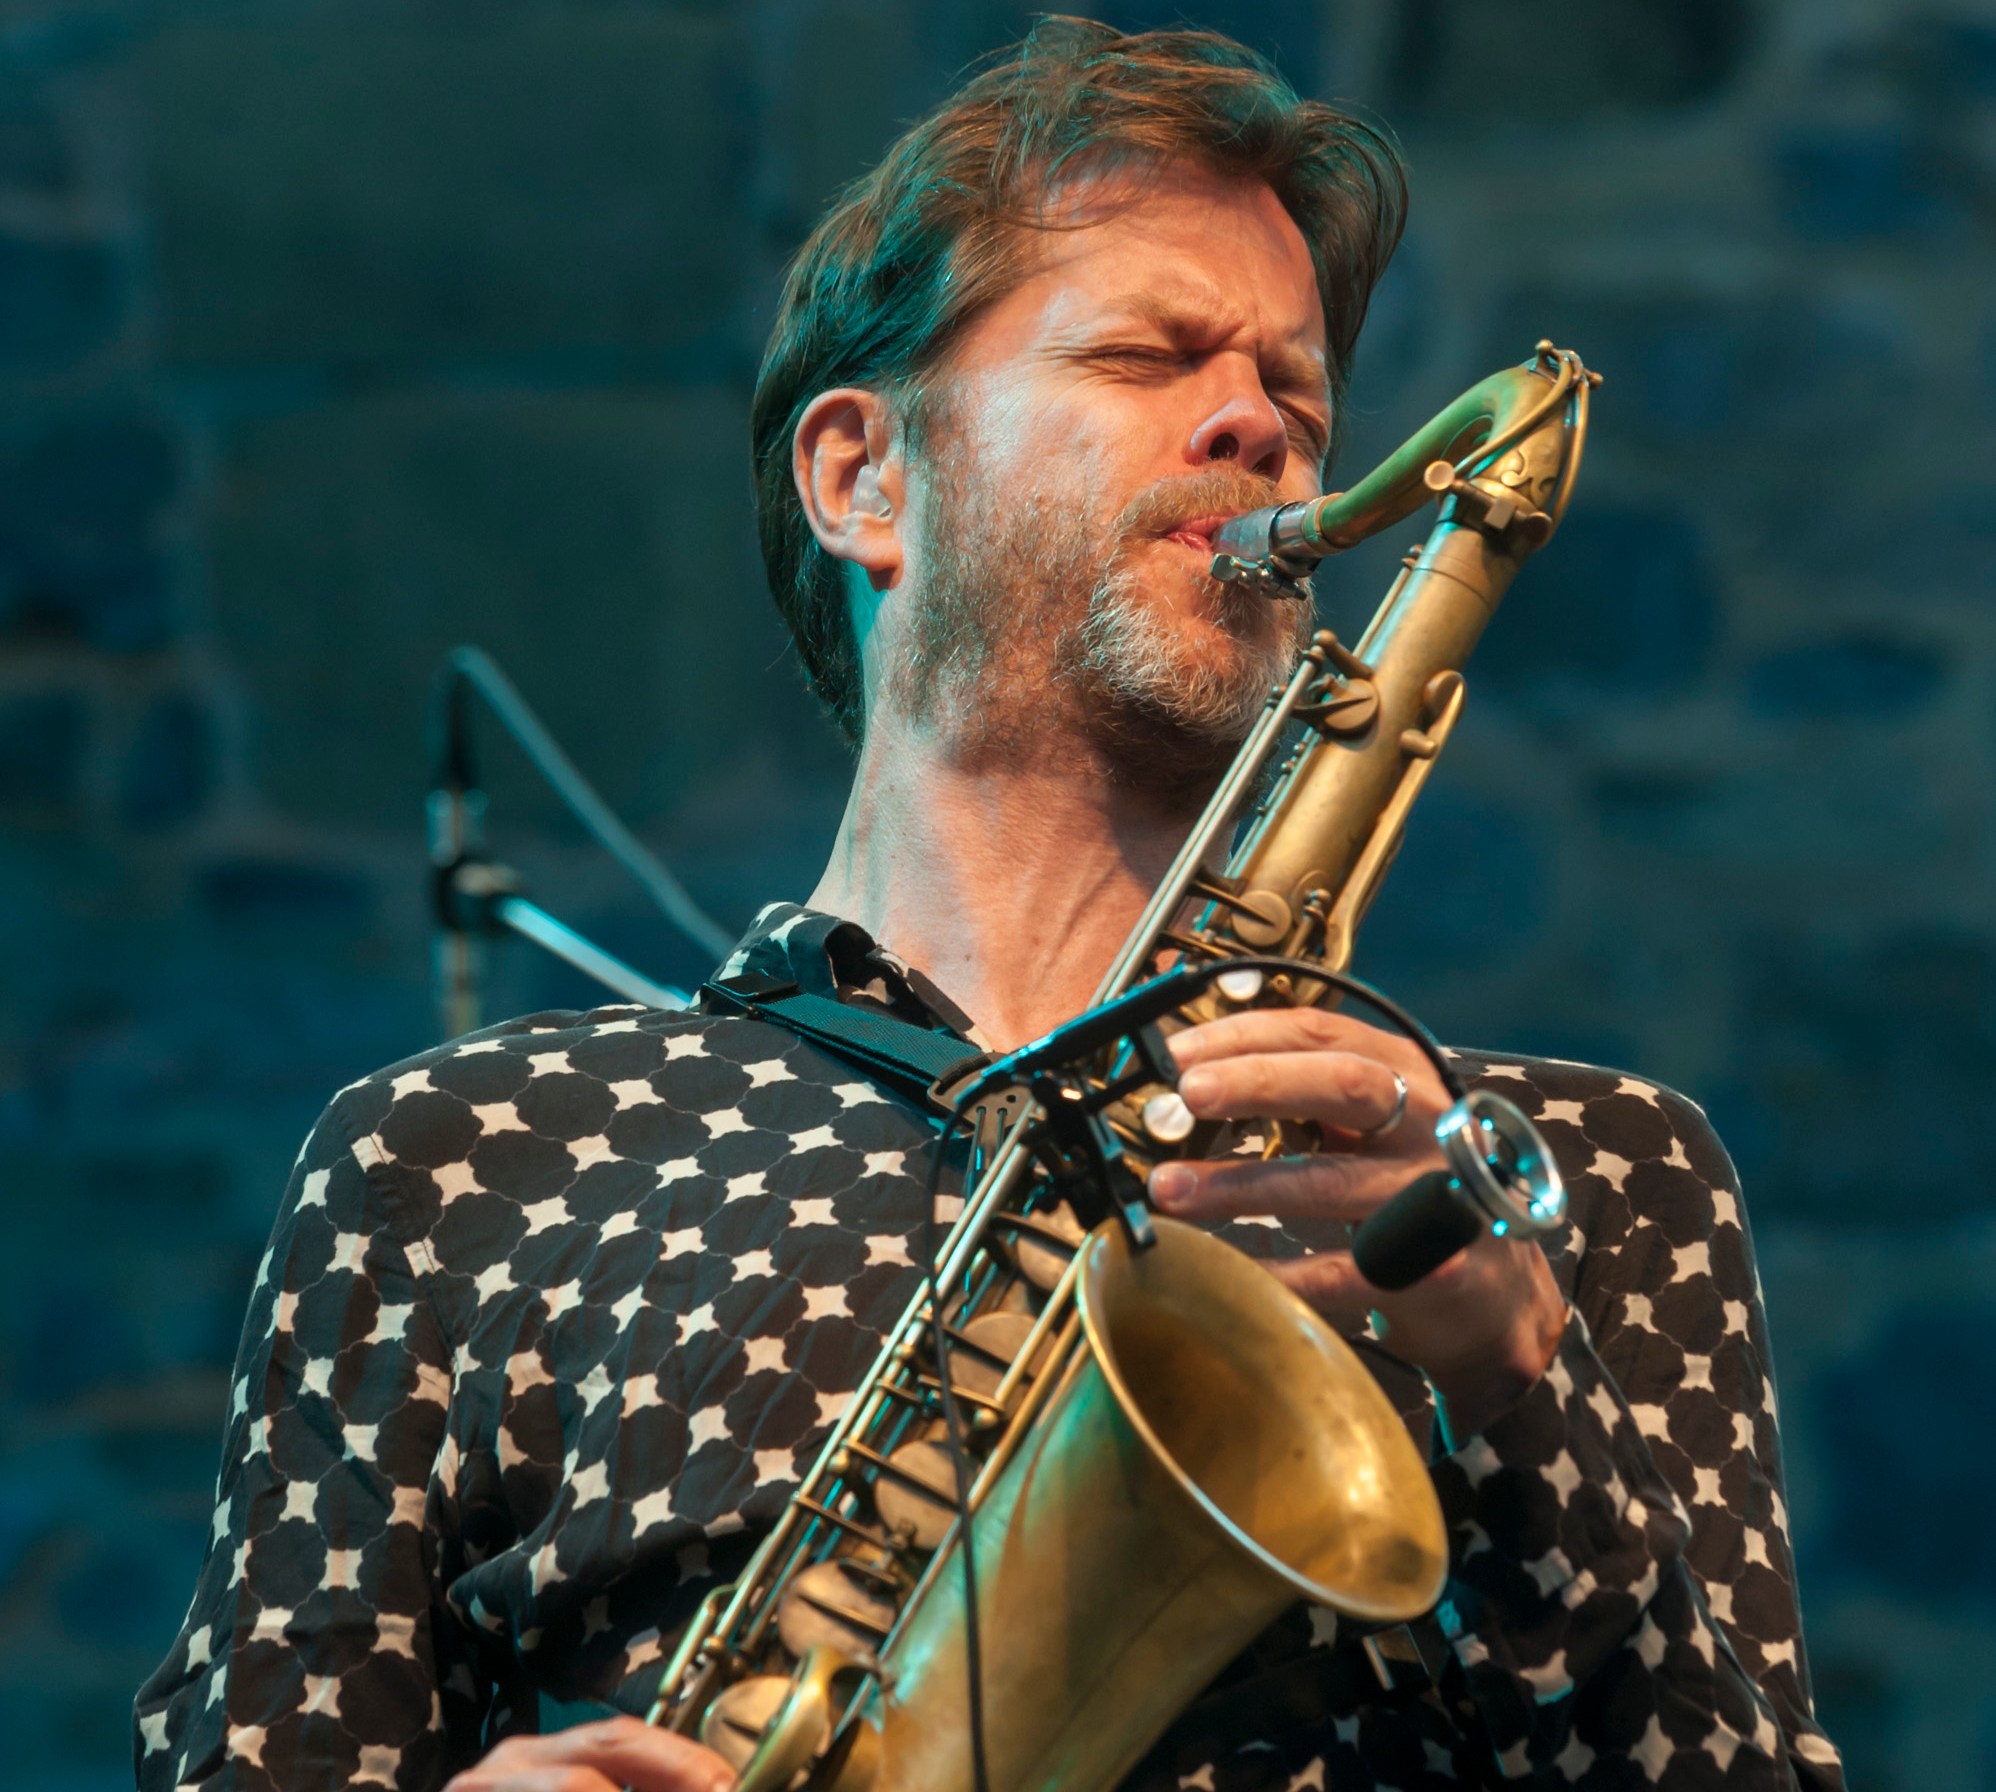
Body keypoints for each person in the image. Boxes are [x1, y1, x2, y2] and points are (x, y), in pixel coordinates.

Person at [135, 19, 1844, 1791]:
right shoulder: (463, 1160)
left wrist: (1511, 1389)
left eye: (1297, 390)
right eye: (1149, 354)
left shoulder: (1564, 1176)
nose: (1264, 424)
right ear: (864, 478)